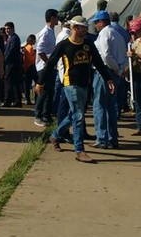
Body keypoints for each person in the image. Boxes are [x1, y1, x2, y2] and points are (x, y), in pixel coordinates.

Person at [35, 16, 115, 163]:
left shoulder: (88, 44)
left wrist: (108, 78)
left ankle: (55, 135)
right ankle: (79, 150)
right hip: (70, 83)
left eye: (85, 27)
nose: (84, 30)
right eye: (81, 27)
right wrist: (40, 82)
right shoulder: (64, 45)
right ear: (74, 28)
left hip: (85, 84)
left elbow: (98, 62)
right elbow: (50, 62)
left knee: (73, 115)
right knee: (78, 116)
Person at [90, 10, 127, 149]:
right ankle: (113, 138)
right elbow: (124, 55)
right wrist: (119, 69)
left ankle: (101, 138)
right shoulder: (119, 34)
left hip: (105, 72)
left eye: (96, 22)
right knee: (111, 107)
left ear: (101, 22)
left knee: (99, 106)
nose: (95, 25)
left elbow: (105, 55)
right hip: (116, 72)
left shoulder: (104, 33)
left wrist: (114, 68)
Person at [34, 9, 59, 127]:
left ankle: (46, 115)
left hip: (49, 67)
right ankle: (38, 115)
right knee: (43, 92)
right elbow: (40, 50)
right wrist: (49, 63)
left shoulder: (51, 31)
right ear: (52, 18)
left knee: (49, 92)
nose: (58, 19)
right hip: (44, 67)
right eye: (57, 17)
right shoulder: (46, 32)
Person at [3, 21, 23, 107]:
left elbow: (11, 51)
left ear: (13, 29)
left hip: (12, 64)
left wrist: (4, 61)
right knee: (14, 83)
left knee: (9, 82)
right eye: (6, 29)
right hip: (11, 64)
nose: (7, 30)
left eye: (8, 28)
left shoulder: (14, 38)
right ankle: (16, 101)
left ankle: (8, 101)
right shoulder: (10, 38)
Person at [22, 34, 37, 105]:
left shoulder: (25, 47)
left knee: (27, 85)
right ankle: (36, 98)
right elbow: (32, 59)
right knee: (37, 82)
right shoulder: (30, 48)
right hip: (31, 66)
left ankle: (28, 99)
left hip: (26, 67)